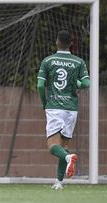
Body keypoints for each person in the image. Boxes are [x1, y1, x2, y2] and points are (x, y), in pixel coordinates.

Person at [37, 30, 90, 190]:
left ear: (57, 42)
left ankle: (68, 158)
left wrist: (44, 101)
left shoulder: (48, 60)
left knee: (53, 146)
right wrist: (78, 84)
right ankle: (59, 182)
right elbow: (87, 83)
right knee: (64, 145)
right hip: (71, 109)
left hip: (55, 107)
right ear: (71, 44)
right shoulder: (78, 61)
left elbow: (40, 85)